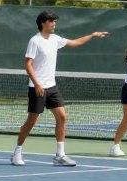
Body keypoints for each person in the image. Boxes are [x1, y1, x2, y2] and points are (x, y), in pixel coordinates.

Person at [11, 10, 108, 167]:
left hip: (52, 87)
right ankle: (17, 152)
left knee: (62, 117)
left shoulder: (55, 39)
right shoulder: (34, 41)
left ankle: (60, 155)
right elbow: (28, 64)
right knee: (31, 122)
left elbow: (75, 43)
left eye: (55, 21)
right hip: (37, 88)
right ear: (43, 23)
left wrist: (92, 35)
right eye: (51, 21)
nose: (54, 23)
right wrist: (37, 84)